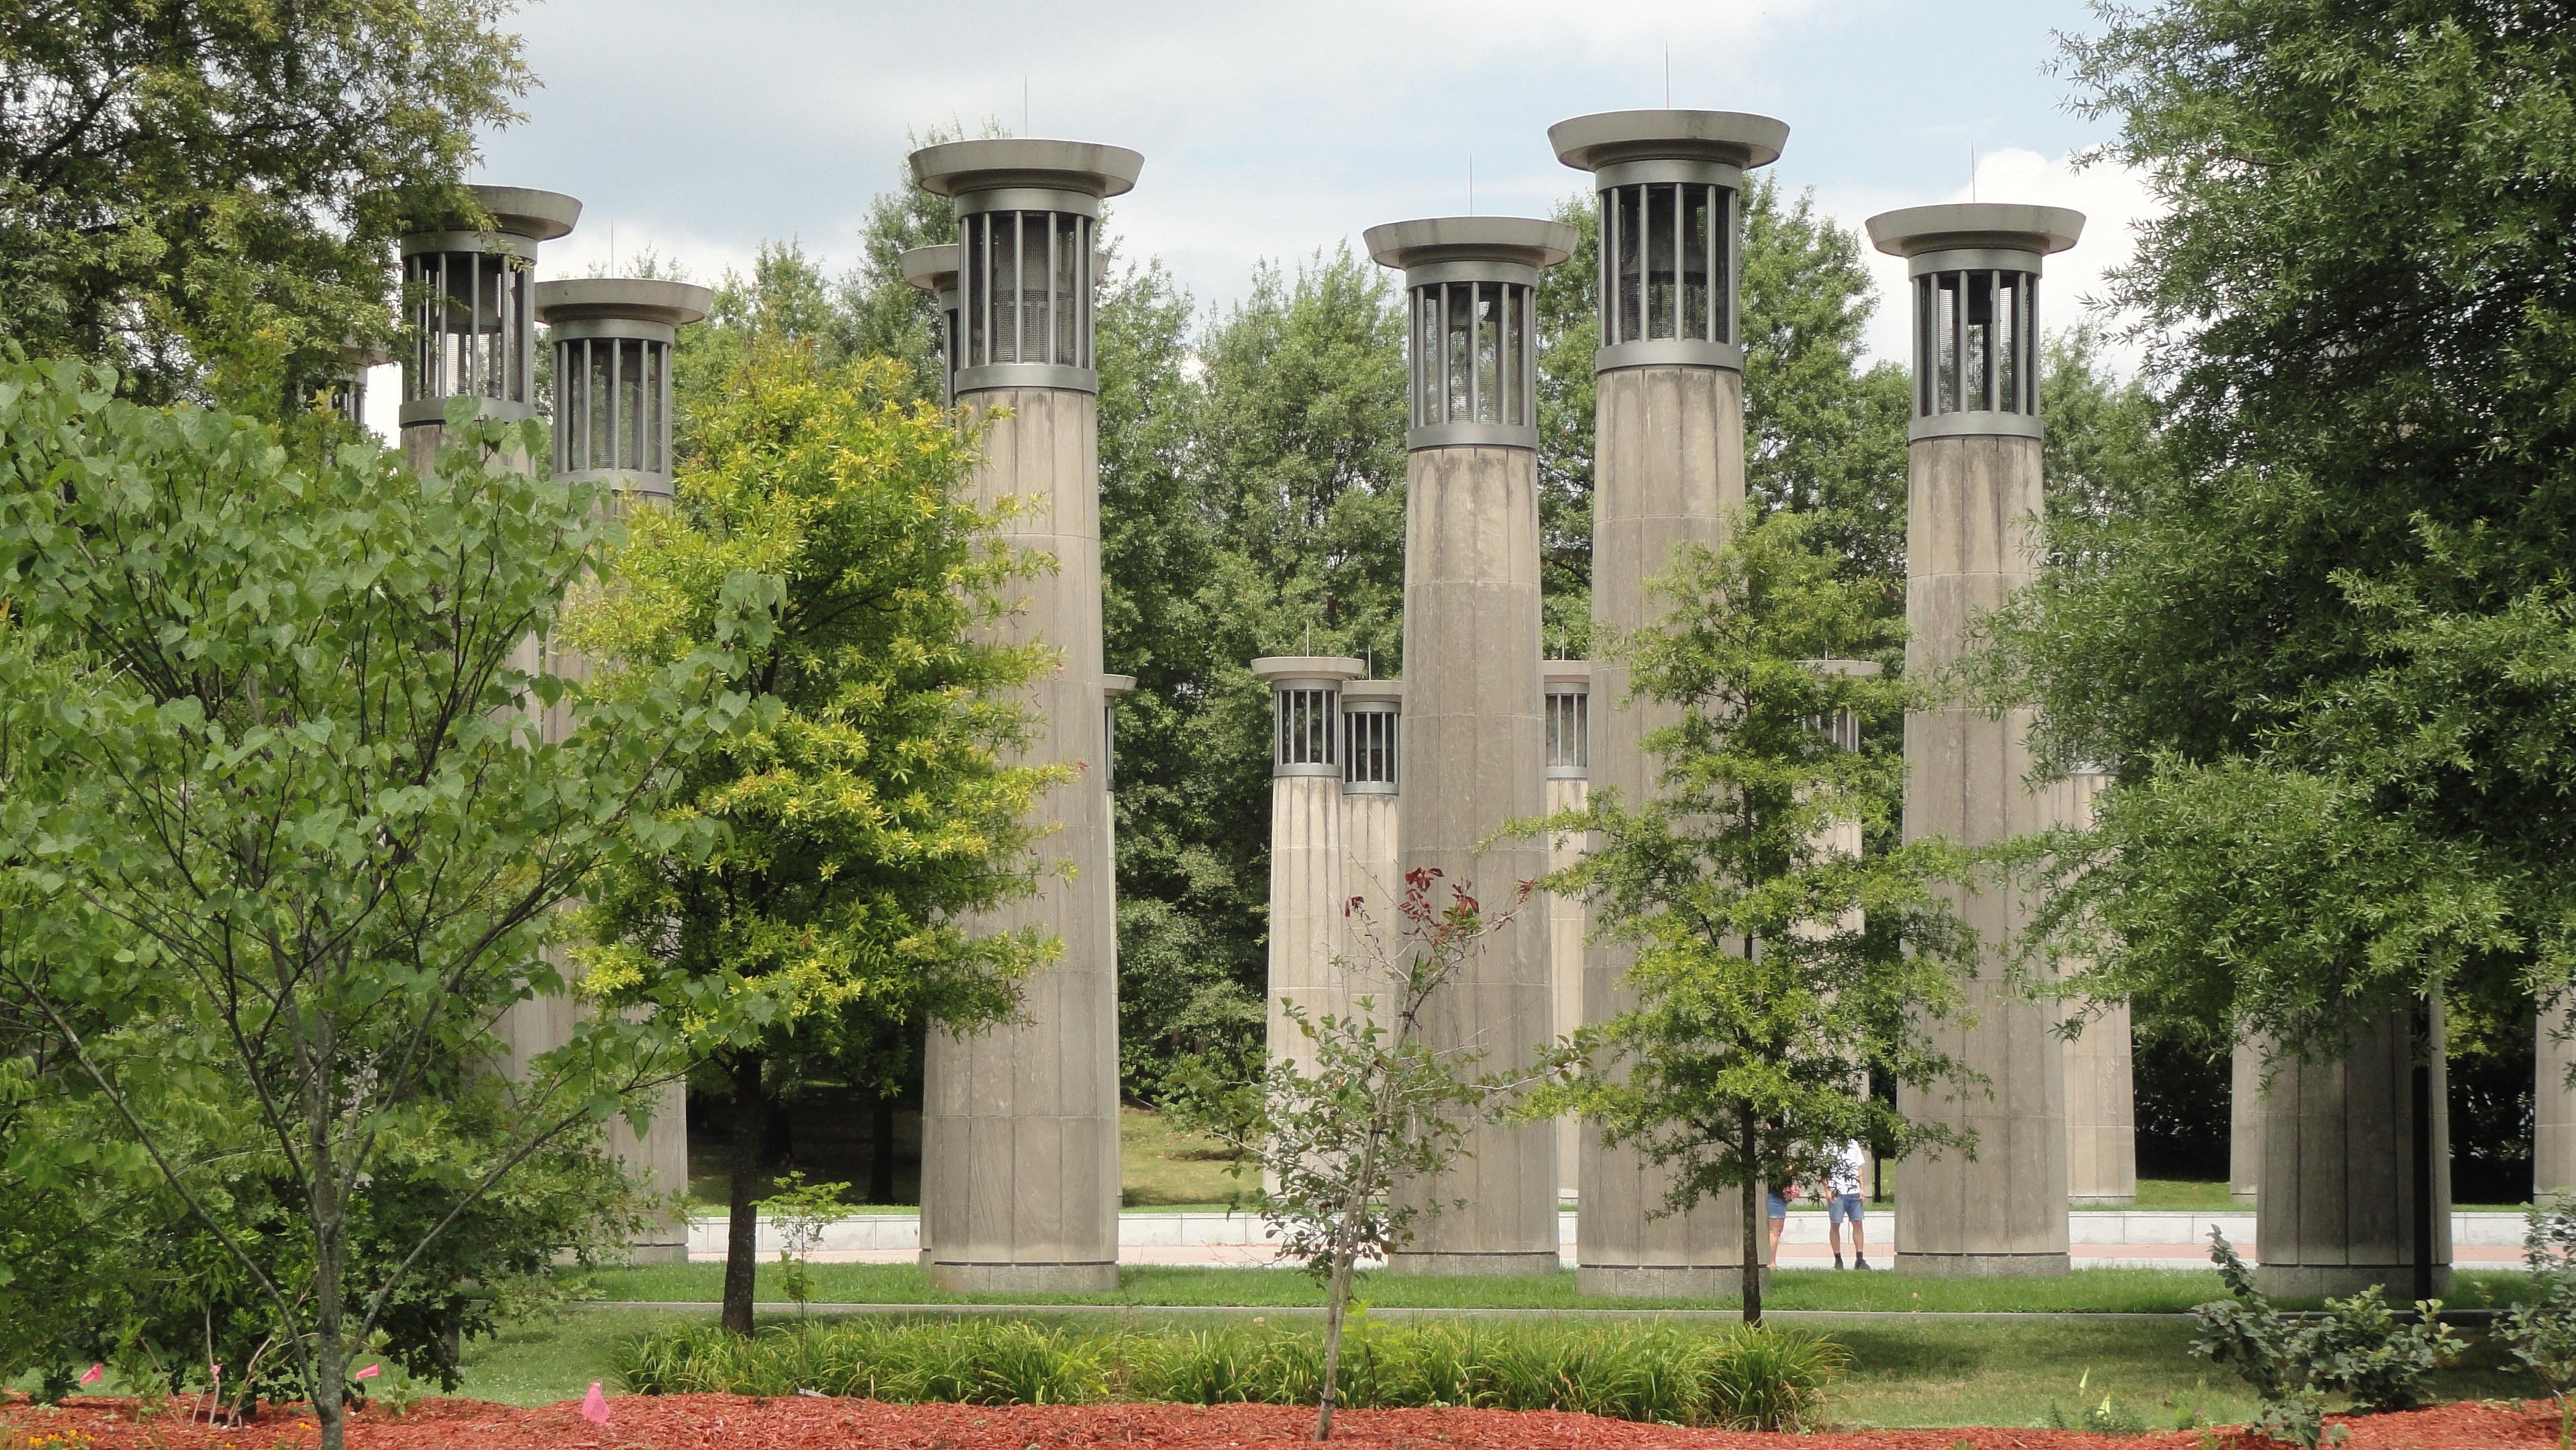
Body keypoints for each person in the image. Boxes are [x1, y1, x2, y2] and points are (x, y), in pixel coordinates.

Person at [1824, 1137, 1868, 1270]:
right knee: (1835, 1224)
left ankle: (1860, 1259)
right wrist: (1827, 1190)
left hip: (1853, 1190)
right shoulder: (1828, 1145)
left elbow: (1859, 1167)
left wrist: (1862, 1188)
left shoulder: (1853, 1144)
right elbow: (1823, 1170)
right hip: (1837, 1191)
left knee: (1858, 1223)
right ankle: (1838, 1259)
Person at [1766, 1180, 1796, 1268]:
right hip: (1776, 1197)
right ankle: (1771, 1262)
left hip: (1779, 1197)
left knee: (1775, 1231)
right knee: (1775, 1231)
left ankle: (1771, 1261)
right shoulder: (1777, 1169)